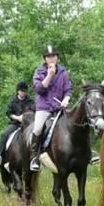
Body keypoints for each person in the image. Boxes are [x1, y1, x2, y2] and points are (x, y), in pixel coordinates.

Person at [29, 44, 73, 172]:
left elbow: (68, 89)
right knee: (37, 129)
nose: (51, 59)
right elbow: (39, 89)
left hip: (59, 107)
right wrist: (49, 75)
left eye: (53, 56)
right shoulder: (39, 72)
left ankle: (86, 152)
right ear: (45, 59)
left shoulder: (63, 72)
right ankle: (34, 157)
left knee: (76, 123)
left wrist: (66, 99)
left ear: (57, 57)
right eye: (48, 57)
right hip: (44, 108)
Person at [0, 80, 35, 165]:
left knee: (38, 135)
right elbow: (9, 113)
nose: (24, 93)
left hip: (28, 124)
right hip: (16, 124)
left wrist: (26, 117)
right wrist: (18, 118)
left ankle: (37, 158)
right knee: (4, 135)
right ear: (18, 91)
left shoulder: (31, 101)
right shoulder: (12, 101)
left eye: (25, 91)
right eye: (22, 91)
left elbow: (34, 111)